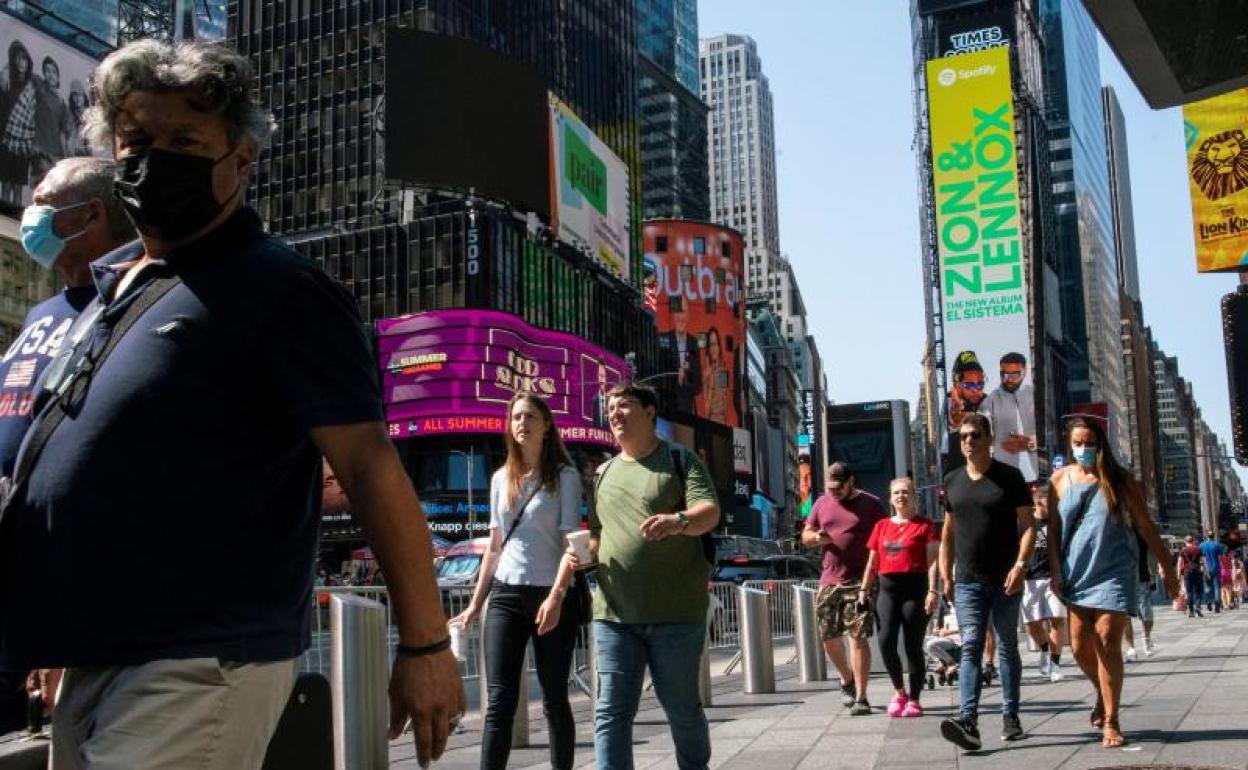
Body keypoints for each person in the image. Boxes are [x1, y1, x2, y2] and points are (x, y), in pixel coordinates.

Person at [0, 40, 462, 770]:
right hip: (98, 657)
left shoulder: (282, 291)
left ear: (240, 161)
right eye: (138, 141)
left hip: (198, 661)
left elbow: (370, 467)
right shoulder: (117, 288)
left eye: (185, 140)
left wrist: (427, 644)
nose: (156, 159)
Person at [581, 382, 719, 770]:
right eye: (610, 408)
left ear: (649, 412)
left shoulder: (680, 459)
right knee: (610, 713)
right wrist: (579, 557)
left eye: (623, 406)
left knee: (682, 710)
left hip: (676, 615)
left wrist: (678, 521)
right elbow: (596, 536)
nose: (614, 414)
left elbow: (709, 512)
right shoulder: (602, 473)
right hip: (613, 615)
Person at [450, 393, 583, 770]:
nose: (521, 423)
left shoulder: (565, 477)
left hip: (552, 594)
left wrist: (556, 597)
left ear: (547, 425)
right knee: (498, 702)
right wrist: (476, 603)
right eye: (515, 418)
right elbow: (494, 547)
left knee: (555, 697)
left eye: (529, 416)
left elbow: (570, 542)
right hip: (506, 595)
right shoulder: (499, 479)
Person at [1048, 416, 1179, 749]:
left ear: (1100, 444)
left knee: (1107, 637)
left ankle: (1111, 719)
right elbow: (1053, 532)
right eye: (1077, 443)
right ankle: (1103, 695)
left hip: (1116, 569)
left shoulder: (1120, 480)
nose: (1083, 449)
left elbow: (1147, 527)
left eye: (1089, 443)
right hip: (1077, 571)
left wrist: (1169, 569)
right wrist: (1055, 571)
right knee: (1078, 646)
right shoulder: (1059, 480)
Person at [937, 413, 1034, 751]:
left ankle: (1011, 716)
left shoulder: (1011, 477)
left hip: (1006, 578)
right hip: (967, 580)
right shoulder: (952, 480)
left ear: (990, 439)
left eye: (975, 435)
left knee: (1007, 647)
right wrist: (944, 574)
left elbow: (1029, 526)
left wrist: (1021, 566)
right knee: (972, 645)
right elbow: (947, 532)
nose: (968, 441)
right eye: (963, 436)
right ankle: (968, 720)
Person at [801, 461, 885, 716]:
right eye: (830, 487)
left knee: (857, 636)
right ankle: (846, 679)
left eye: (839, 487)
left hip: (861, 581)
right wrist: (816, 538)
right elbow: (805, 536)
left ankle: (861, 696)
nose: (834, 492)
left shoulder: (871, 504)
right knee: (828, 638)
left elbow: (885, 536)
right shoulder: (821, 503)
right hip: (829, 579)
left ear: (851, 482)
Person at [858, 477, 938, 718]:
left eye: (906, 492)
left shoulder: (926, 525)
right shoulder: (881, 526)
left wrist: (933, 591)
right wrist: (863, 590)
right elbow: (872, 562)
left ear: (914, 496)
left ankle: (914, 699)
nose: (901, 496)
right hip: (887, 591)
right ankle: (899, 691)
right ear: (890, 498)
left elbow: (933, 562)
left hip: (916, 589)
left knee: (912, 646)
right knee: (885, 641)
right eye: (896, 493)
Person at [1022, 482, 1066, 682]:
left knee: (1057, 620)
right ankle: (1045, 650)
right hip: (1029, 579)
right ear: (1039, 502)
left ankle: (1055, 665)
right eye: (1050, 501)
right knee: (1032, 624)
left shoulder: (1057, 523)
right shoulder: (1026, 523)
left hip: (1053, 578)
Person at [979, 352, 1038, 480]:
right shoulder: (990, 401)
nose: (1008, 379)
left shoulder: (1034, 395)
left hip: (1037, 471)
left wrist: (1030, 443)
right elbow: (982, 438)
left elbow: (1050, 433)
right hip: (1005, 474)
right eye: (1004, 374)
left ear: (1025, 371)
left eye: (1015, 374)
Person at [0, 40, 37, 200]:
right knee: (6, 185)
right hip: (6, 140)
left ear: (28, 61)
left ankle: (14, 222)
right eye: (17, 58)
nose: (20, 62)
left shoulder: (33, 85)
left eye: (23, 58)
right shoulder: (6, 81)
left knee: (17, 188)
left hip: (25, 144)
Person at [659, 303, 701, 414]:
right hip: (667, 408)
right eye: (678, 312)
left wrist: (685, 378)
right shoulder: (663, 339)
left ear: (688, 316)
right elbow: (659, 375)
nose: (681, 316)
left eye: (684, 312)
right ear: (673, 315)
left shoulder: (694, 343)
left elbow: (698, 385)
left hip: (686, 411)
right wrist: (677, 378)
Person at [32, 56, 70, 179]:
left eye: (53, 71)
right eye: (47, 71)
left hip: (56, 156)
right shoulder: (40, 86)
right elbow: (24, 72)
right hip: (40, 151)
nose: (50, 75)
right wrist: (6, 69)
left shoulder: (62, 101)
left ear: (58, 75)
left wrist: (65, 159)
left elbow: (62, 134)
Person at [699, 325, 728, 423]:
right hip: (712, 421)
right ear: (708, 348)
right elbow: (706, 409)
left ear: (719, 346)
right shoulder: (706, 373)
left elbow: (725, 399)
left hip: (723, 421)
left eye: (716, 344)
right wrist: (710, 382)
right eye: (711, 344)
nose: (714, 348)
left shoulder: (723, 371)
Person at [1199, 531, 1227, 613]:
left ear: (1206, 536)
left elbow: (1200, 557)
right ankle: (1217, 605)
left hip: (1206, 568)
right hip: (1216, 568)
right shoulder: (1217, 545)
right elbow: (1221, 555)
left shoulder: (1202, 545)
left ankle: (1208, 602)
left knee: (1207, 586)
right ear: (1213, 536)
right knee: (1216, 587)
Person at [1178, 535, 1205, 618]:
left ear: (1186, 542)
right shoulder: (1198, 549)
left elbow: (1179, 563)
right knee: (1199, 591)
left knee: (1189, 592)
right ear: (1193, 541)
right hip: (1197, 571)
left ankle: (1191, 612)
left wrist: (1178, 575)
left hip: (1187, 571)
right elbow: (1202, 561)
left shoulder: (1183, 551)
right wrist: (1204, 570)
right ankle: (1198, 607)